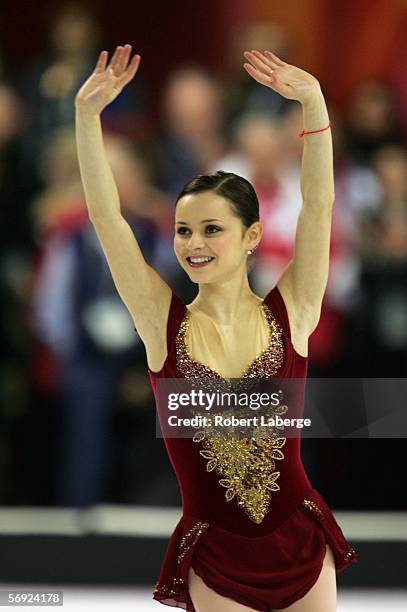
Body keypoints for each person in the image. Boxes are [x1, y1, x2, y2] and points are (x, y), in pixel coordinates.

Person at [75, 44, 357, 612]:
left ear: (252, 236)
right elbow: (108, 219)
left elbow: (319, 204)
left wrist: (313, 103)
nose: (193, 244)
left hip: (301, 547)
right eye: (183, 231)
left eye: (211, 229)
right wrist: (86, 117)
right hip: (216, 558)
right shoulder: (161, 321)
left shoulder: (294, 307)